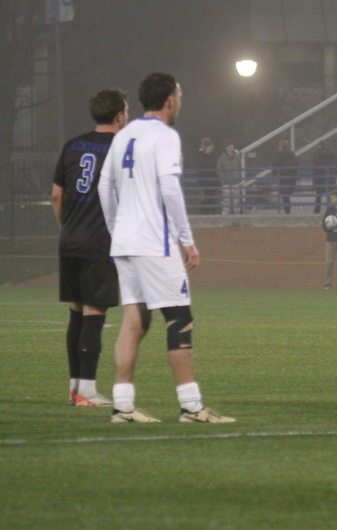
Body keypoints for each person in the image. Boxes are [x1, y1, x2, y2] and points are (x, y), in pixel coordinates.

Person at [98, 72, 234, 423]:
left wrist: (117, 228)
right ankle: (191, 406)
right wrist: (187, 240)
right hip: (152, 241)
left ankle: (123, 407)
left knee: (135, 321)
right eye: (180, 96)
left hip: (125, 241)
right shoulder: (164, 136)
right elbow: (170, 190)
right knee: (179, 319)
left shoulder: (123, 134)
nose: (180, 102)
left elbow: (104, 187)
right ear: (170, 100)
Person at [50, 88, 128, 407]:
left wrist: (65, 227)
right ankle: (87, 390)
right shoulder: (122, 148)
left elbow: (57, 195)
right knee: (94, 315)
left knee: (77, 315)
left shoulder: (71, 145)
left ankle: (74, 387)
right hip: (100, 242)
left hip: (70, 240)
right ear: (119, 115)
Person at [191, 137, 219, 214]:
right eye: (210, 146)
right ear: (205, 147)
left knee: (212, 201)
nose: (212, 148)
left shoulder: (214, 157)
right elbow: (200, 170)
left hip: (212, 183)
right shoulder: (200, 157)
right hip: (204, 184)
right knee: (205, 201)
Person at [322, 189, 337, 289]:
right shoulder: (329, 210)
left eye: (333, 197)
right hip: (330, 239)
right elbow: (324, 224)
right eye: (330, 198)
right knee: (329, 262)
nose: (331, 200)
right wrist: (328, 227)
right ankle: (327, 284)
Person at [312, 141, 337, 214]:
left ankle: (317, 210)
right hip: (330, 177)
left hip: (319, 178)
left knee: (318, 196)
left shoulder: (317, 154)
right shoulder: (332, 154)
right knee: (331, 196)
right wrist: (334, 174)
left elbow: (315, 167)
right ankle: (332, 210)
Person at [274, 139, 299, 214]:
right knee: (287, 194)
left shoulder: (279, 155)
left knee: (284, 196)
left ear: (281, 146)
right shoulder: (292, 155)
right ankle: (288, 211)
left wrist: (275, 174)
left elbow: (275, 165)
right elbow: (296, 164)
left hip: (282, 177)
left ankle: (287, 211)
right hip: (291, 178)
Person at [216, 138, 241, 214]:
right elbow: (219, 169)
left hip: (236, 182)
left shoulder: (237, 157)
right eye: (229, 145)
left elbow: (240, 168)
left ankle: (237, 220)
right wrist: (224, 179)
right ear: (226, 147)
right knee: (226, 203)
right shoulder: (222, 158)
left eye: (232, 145)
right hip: (226, 183)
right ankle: (225, 221)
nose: (232, 147)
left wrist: (239, 178)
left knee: (236, 203)